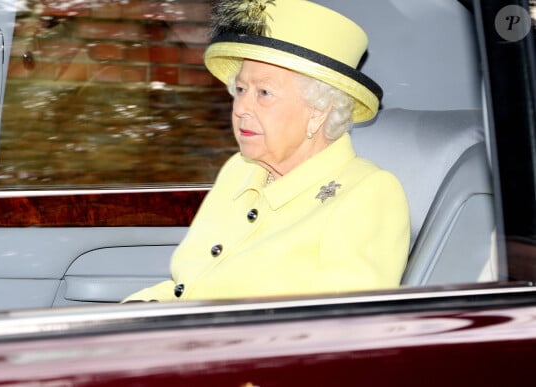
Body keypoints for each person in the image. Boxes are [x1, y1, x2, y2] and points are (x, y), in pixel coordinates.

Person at [123, 0, 410, 303]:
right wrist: (131, 314)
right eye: (241, 89)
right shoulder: (240, 169)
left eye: (264, 93)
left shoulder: (368, 194)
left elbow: (344, 329)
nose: (241, 108)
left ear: (318, 111)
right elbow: (186, 287)